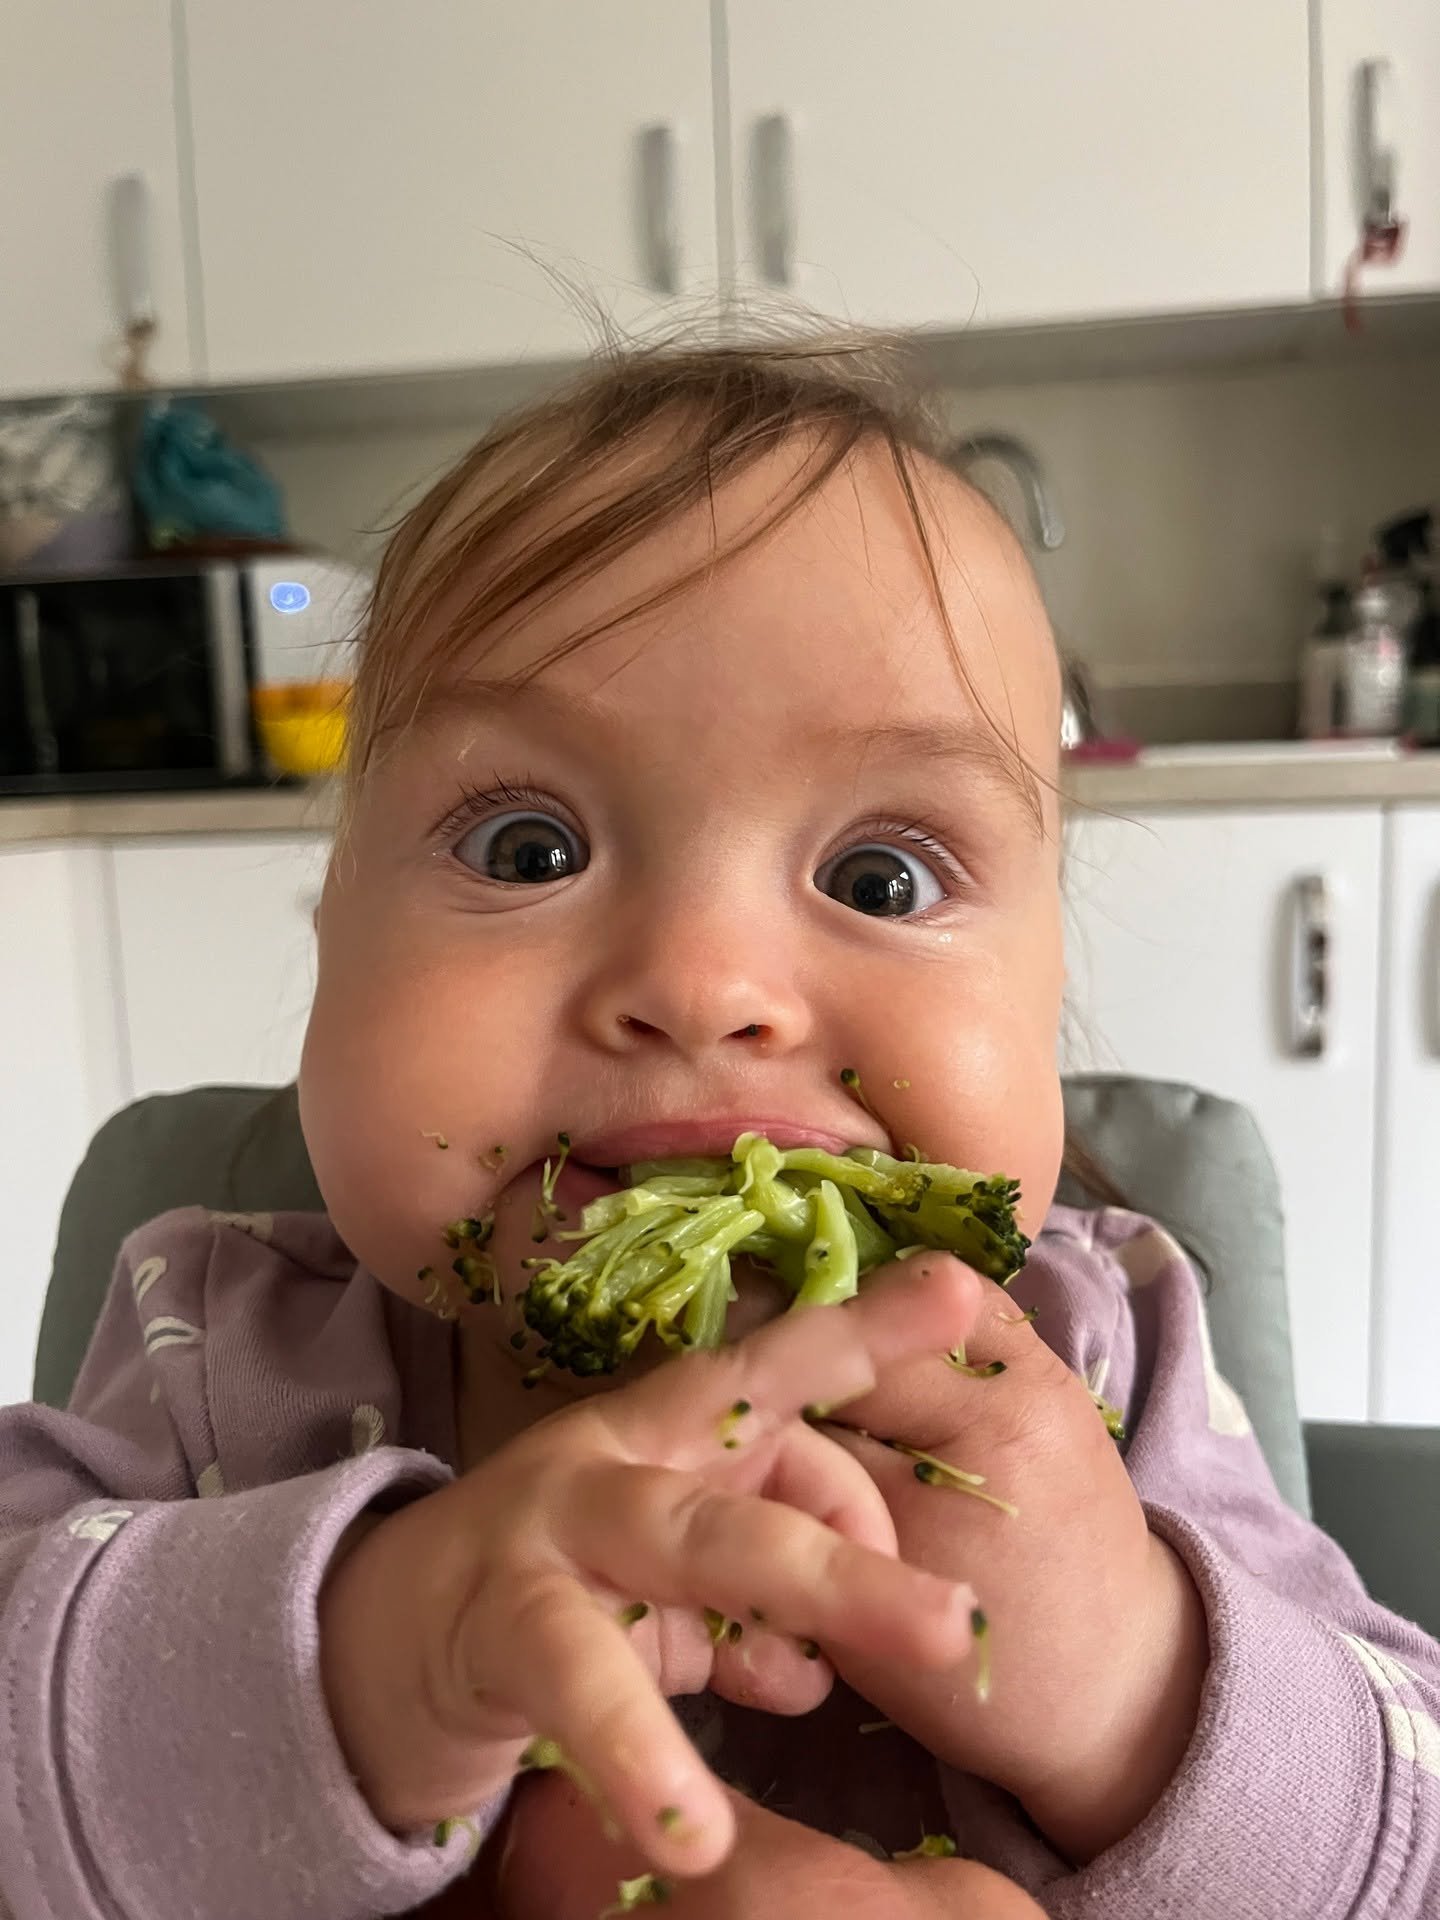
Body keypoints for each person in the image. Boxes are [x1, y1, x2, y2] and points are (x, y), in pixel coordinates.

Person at [1, 337, 1436, 1920]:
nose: (702, 985)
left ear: (1051, 989)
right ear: (332, 934)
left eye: (882, 878)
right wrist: (361, 1662)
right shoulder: (215, 1358)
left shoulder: (1111, 1361)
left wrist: (1139, 1680)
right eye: (529, 849)